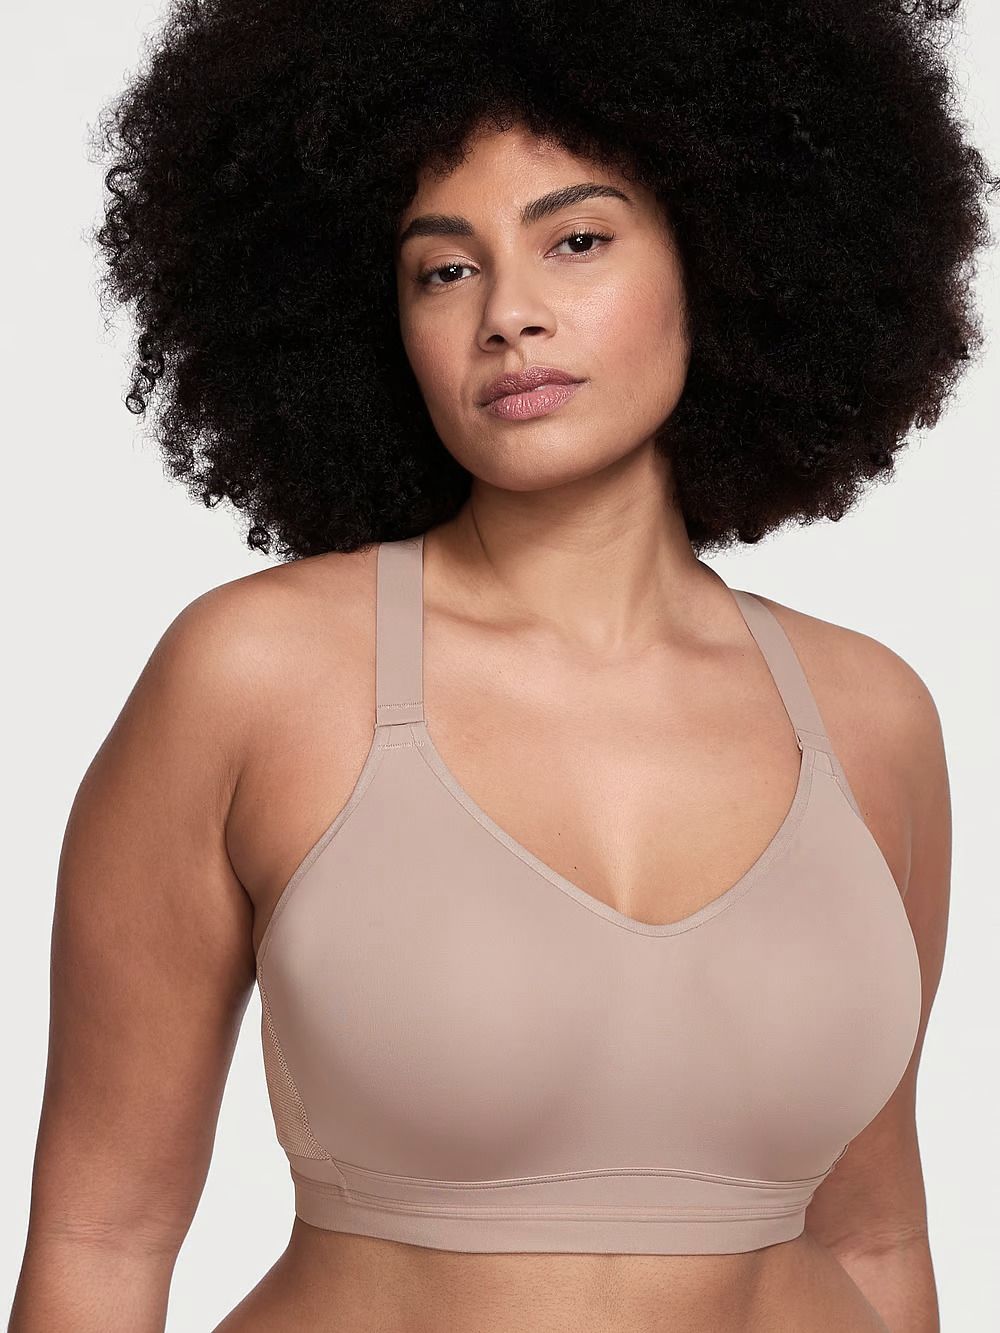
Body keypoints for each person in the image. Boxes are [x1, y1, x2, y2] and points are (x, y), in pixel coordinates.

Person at [10, 1, 995, 1330]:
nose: (509, 316)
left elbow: (876, 1238)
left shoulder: (871, 716)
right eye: (443, 270)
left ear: (721, 259)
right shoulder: (257, 677)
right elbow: (103, 1236)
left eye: (576, 240)